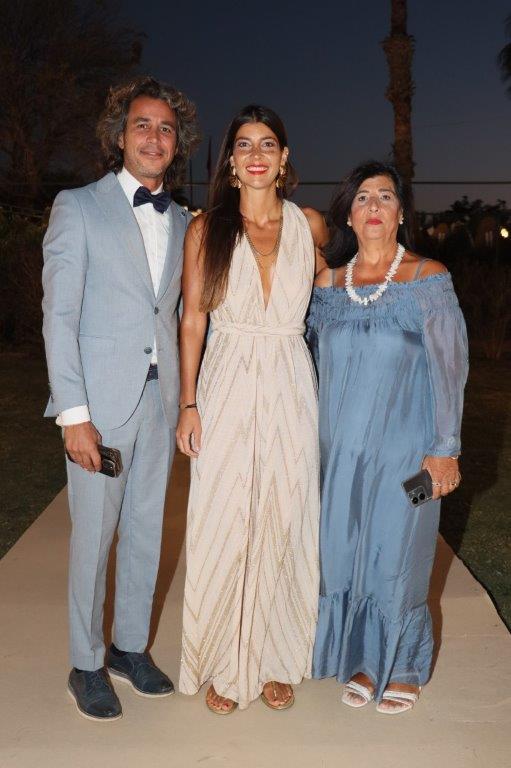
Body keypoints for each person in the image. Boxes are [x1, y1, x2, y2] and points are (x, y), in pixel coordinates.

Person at [42, 76, 199, 721]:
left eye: (166, 128)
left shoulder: (186, 221)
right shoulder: (78, 207)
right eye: (142, 125)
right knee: (94, 537)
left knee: (145, 531)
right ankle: (85, 663)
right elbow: (59, 316)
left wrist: (189, 402)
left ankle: (129, 648)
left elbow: (185, 315)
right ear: (119, 134)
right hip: (100, 410)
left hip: (161, 404)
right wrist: (73, 415)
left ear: (176, 143)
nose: (154, 138)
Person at [177, 105, 327, 713]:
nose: (256, 154)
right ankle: (222, 658)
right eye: (244, 144)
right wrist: (188, 402)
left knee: (285, 515)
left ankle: (276, 657)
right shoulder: (205, 229)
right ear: (232, 162)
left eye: (268, 144)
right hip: (227, 377)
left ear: (284, 158)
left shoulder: (308, 225)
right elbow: (193, 320)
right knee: (223, 516)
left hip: (290, 378)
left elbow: (338, 289)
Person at [309, 161, 468, 714]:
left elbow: (450, 370)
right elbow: (308, 365)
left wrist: (445, 449)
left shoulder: (428, 278)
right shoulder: (327, 286)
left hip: (407, 453)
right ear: (348, 216)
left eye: (385, 196)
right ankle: (357, 656)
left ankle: (401, 665)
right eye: (362, 197)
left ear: (401, 212)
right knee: (341, 553)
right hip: (338, 452)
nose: (373, 205)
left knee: (397, 554)